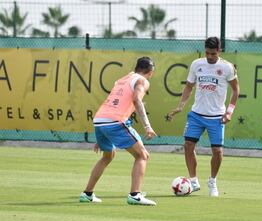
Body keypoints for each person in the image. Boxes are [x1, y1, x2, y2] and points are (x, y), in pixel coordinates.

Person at [79, 56, 157, 206]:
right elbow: (136, 100)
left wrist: (101, 134)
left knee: (108, 156)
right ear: (151, 72)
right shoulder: (142, 80)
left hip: (100, 120)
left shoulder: (123, 79)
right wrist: (147, 125)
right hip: (114, 121)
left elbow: (116, 103)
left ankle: (87, 194)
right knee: (142, 155)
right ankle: (135, 195)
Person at [167, 37, 239, 197]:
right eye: (207, 53)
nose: (209, 56)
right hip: (196, 115)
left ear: (219, 51)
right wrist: (180, 106)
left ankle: (212, 182)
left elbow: (236, 90)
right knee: (188, 145)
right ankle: (193, 181)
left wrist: (229, 112)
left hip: (217, 117)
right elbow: (188, 87)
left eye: (213, 54)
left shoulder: (227, 68)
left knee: (218, 152)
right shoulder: (196, 64)